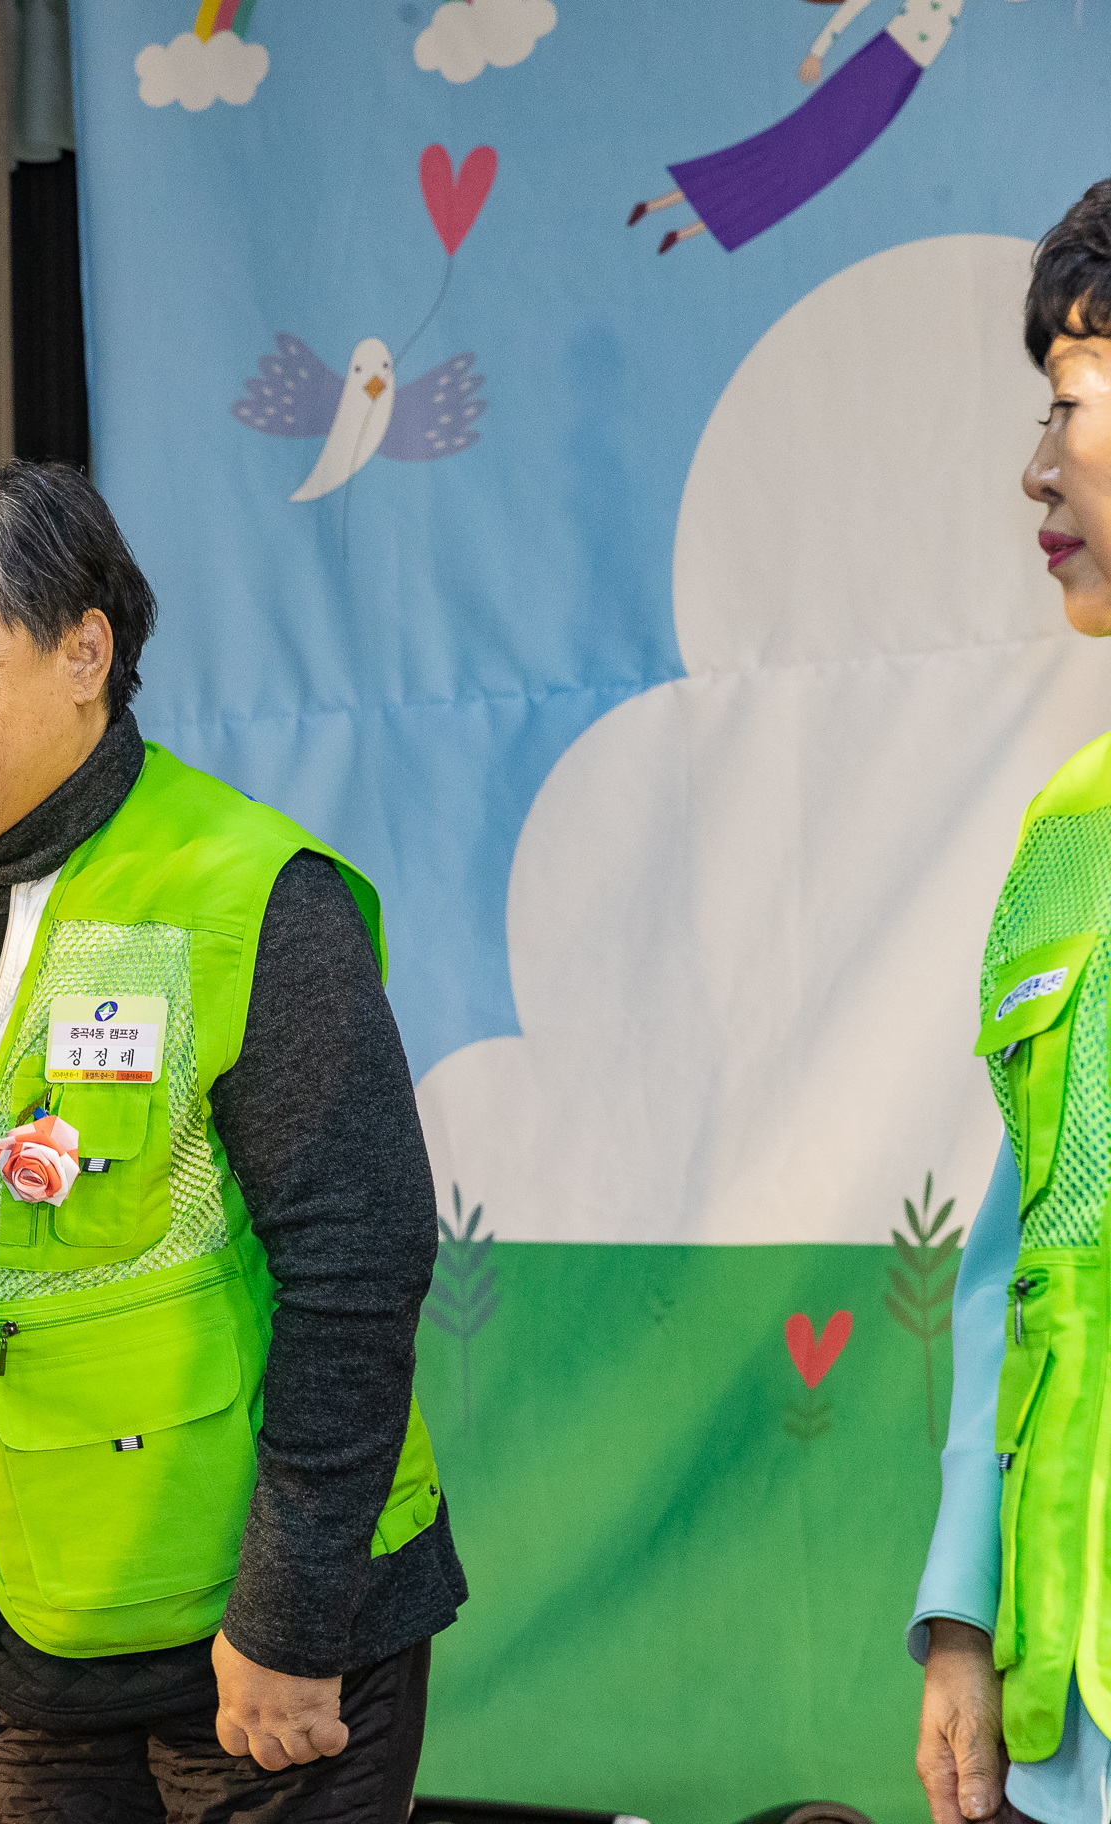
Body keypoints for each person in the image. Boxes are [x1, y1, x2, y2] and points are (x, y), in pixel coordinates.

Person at [0, 459, 465, 1822]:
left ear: (83, 652)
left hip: (265, 1655)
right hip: (25, 1658)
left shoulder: (248, 896)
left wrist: (287, 1621)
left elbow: (360, 1272)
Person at [911, 178, 1111, 1824]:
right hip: (1074, 1716)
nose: (1037, 466)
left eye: (1078, 406)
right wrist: (962, 1606)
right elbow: (1019, 1257)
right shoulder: (1070, 823)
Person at [626, 0, 1027, 257]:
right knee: (789, 146)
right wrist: (817, 51)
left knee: (811, 173)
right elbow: (854, 5)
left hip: (901, 82)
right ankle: (661, 205)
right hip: (881, 65)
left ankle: (685, 231)